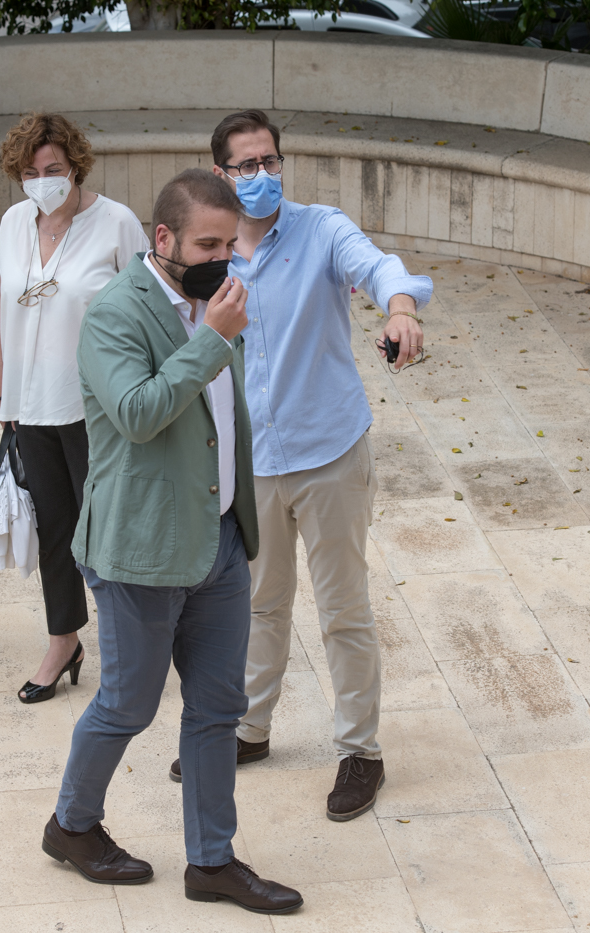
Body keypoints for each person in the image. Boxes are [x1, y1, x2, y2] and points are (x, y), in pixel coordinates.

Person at [42, 169, 302, 915]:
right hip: (142, 549)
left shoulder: (214, 304)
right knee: (128, 704)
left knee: (218, 707)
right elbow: (137, 413)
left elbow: (222, 420)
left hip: (219, 542)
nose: (225, 259)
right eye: (208, 245)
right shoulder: (114, 313)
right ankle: (72, 826)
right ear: (164, 239)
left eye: (231, 244)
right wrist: (213, 339)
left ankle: (212, 862)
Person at [171, 110, 434, 822]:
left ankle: (361, 751)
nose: (262, 175)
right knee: (257, 606)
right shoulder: (210, 253)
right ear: (220, 173)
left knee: (343, 608)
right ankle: (248, 729)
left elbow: (378, 268)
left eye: (271, 161)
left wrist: (401, 309)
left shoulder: (322, 230)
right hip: (251, 461)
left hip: (330, 453)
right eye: (246, 166)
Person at [0, 113, 148, 703]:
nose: (42, 181)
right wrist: (5, 395)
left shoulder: (117, 223)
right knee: (54, 529)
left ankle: (131, 644)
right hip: (30, 406)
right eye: (30, 172)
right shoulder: (14, 223)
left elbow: (149, 311)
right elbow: (6, 309)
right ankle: (64, 641)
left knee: (108, 531)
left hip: (96, 409)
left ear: (76, 166)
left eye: (53, 169)